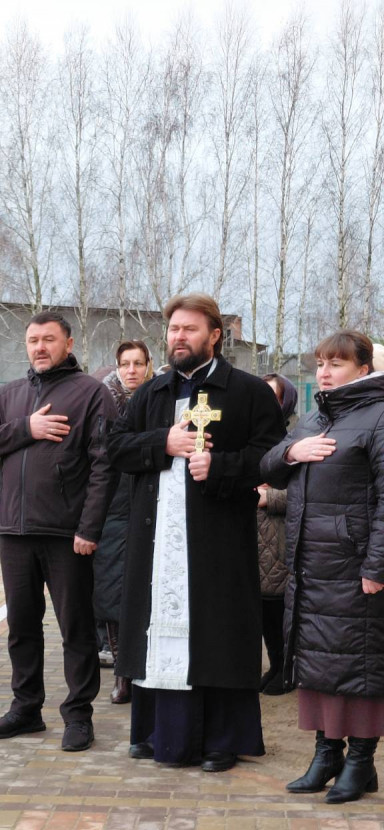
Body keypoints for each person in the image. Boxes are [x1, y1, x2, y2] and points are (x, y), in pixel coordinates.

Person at [108, 293, 285, 771]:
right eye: (173, 330)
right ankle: (156, 734)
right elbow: (116, 447)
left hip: (217, 538)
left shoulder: (248, 391)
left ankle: (222, 740)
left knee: (218, 633)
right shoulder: (152, 392)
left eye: (189, 329)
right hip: (158, 538)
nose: (179, 337)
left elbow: (274, 458)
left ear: (215, 336)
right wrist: (161, 442)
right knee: (161, 630)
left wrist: (223, 466)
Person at [0, 312, 117, 752]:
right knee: (21, 626)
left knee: (75, 627)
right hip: (14, 531)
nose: (39, 347)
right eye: (33, 340)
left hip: (66, 534)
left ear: (67, 344)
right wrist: (26, 428)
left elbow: (103, 466)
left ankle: (78, 715)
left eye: (48, 339)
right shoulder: (11, 394)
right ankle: (26, 708)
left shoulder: (90, 393)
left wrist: (89, 527)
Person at [261, 331, 384, 803]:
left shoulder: (378, 416)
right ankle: (326, 754)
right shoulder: (314, 418)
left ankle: (360, 762)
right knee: (319, 666)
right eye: (320, 364)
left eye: (336, 363)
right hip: (310, 566)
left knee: (361, 666)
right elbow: (268, 467)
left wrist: (376, 565)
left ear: (363, 369)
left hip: (355, 569)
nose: (325, 372)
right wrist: (293, 451)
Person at [95, 340, 154, 704]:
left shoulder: (159, 399)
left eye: (138, 363)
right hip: (113, 508)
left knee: (148, 593)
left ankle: (148, 670)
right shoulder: (103, 404)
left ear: (149, 366)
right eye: (125, 363)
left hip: (149, 502)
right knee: (113, 593)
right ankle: (122, 673)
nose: (131, 370)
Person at [256, 373, 299, 696]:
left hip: (279, 536)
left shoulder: (297, 438)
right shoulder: (250, 433)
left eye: (273, 395)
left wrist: (267, 497)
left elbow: (305, 494)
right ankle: (275, 665)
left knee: (278, 609)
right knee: (262, 611)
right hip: (251, 536)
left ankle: (287, 668)